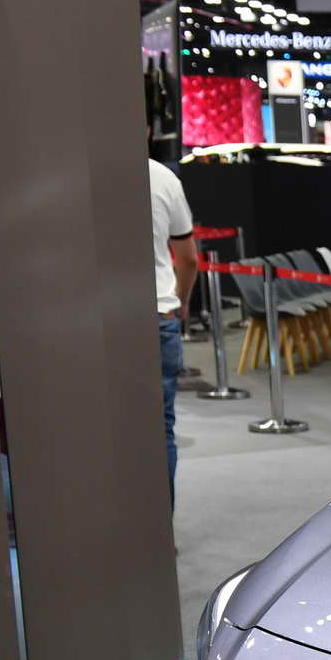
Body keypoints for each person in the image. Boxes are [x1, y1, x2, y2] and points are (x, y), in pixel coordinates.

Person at [150, 158, 197, 507]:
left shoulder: (78, 171)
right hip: (158, 314)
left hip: (101, 320)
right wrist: (182, 302)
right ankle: (159, 525)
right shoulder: (163, 177)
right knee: (160, 427)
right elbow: (188, 258)